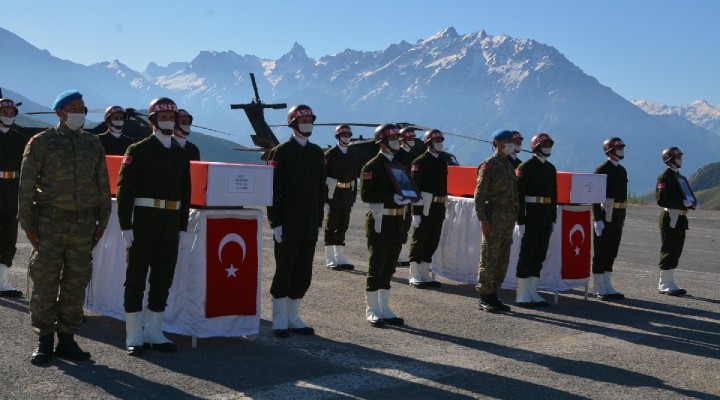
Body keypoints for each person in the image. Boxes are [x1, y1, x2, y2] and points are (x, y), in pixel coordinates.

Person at [18, 90, 111, 364]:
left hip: (83, 225)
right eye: (73, 108)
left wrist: (103, 219)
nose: (79, 113)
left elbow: (102, 183)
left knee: (75, 283)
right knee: (45, 283)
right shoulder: (41, 142)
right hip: (50, 223)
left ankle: (67, 340)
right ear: (59, 112)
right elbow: (25, 187)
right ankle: (44, 340)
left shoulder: (92, 143)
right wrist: (28, 224)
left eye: (82, 108)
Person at [117, 97, 192, 356]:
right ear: (152, 121)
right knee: (136, 278)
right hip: (144, 222)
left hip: (170, 223)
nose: (169, 122)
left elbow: (186, 192)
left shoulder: (182, 153)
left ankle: (154, 331)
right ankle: (134, 333)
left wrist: (182, 228)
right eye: (163, 118)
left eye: (171, 117)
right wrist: (126, 225)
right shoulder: (137, 150)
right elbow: (124, 191)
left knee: (163, 279)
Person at [266, 104, 324, 338]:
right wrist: (275, 222)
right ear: (293, 124)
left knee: (303, 271)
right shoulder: (281, 152)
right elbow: (271, 190)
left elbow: (320, 189)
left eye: (310, 120)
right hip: (288, 223)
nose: (307, 124)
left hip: (310, 223)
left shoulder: (317, 152)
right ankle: (279, 318)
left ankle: (293, 316)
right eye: (303, 121)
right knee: (285, 268)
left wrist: (319, 219)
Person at [360, 123, 420, 327]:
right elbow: (366, 195)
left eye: (397, 139)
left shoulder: (399, 165)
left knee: (389, 267)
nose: (396, 142)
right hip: (380, 219)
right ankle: (372, 309)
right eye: (392, 139)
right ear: (382, 143)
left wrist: (412, 197)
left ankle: (385, 308)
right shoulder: (372, 166)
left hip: (397, 220)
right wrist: (391, 196)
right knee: (376, 265)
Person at [474, 129, 519, 313]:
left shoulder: (509, 165)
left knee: (503, 257)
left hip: (508, 216)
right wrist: (483, 219)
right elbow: (480, 195)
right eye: (508, 140)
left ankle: (494, 293)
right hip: (494, 216)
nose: (511, 143)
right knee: (489, 256)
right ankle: (485, 296)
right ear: (497, 143)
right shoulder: (489, 165)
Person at [514, 133, 557, 308]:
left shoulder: (550, 168)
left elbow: (554, 196)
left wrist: (552, 218)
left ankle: (533, 290)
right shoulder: (526, 167)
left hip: (545, 217)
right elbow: (519, 196)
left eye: (549, 143)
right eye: (545, 144)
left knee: (539, 254)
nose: (548, 146)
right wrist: (520, 221)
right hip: (531, 216)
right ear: (537, 146)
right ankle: (522, 292)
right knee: (527, 253)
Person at [408, 129, 446, 289]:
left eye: (440, 141)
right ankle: (415, 274)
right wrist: (415, 212)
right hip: (424, 206)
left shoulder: (442, 162)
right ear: (429, 143)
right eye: (436, 141)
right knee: (420, 239)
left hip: (438, 206)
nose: (440, 144)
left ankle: (425, 273)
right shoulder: (419, 162)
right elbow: (415, 188)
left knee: (432, 240)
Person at [656, 146, 695, 296]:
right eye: (677, 157)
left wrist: (691, 203)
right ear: (669, 159)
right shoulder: (665, 177)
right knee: (669, 249)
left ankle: (670, 281)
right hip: (670, 216)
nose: (680, 159)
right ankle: (664, 283)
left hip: (680, 217)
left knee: (676, 249)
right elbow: (662, 200)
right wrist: (682, 203)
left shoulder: (679, 177)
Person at [591, 137, 628, 300]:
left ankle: (607, 284)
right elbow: (595, 196)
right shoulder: (602, 169)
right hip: (606, 213)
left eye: (621, 147)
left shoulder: (622, 170)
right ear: (610, 150)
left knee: (612, 250)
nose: (621, 150)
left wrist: (623, 217)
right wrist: (597, 219)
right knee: (601, 250)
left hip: (618, 214)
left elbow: (623, 196)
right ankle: (598, 286)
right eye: (618, 148)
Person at [0, 98, 28, 297]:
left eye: (12, 113)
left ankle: (2, 281)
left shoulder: (20, 138)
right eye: (5, 113)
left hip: (12, 189)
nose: (9, 116)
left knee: (9, 234)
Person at [323, 124, 358, 270]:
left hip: (346, 195)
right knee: (331, 225)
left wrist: (353, 197)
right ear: (338, 137)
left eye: (348, 135)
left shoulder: (352, 155)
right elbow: (323, 178)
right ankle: (330, 258)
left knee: (343, 225)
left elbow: (354, 179)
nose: (346, 138)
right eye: (344, 135)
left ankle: (340, 257)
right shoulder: (330, 155)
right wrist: (324, 200)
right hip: (333, 194)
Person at [393, 126, 417, 268]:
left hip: (410, 195)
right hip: (399, 195)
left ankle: (401, 253)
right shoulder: (396, 155)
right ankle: (396, 253)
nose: (412, 140)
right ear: (402, 140)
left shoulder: (414, 156)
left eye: (413, 138)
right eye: (409, 138)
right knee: (398, 225)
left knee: (406, 224)